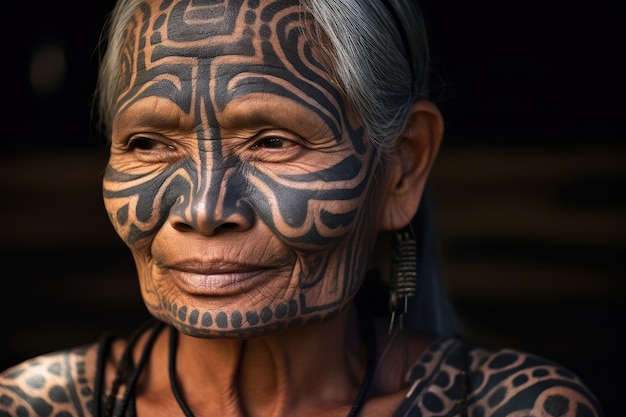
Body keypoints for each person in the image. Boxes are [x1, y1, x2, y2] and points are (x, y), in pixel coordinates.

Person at [0, 0, 605, 416]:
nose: (205, 209)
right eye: (149, 143)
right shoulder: (34, 405)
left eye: (272, 141)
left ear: (403, 167)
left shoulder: (511, 406)